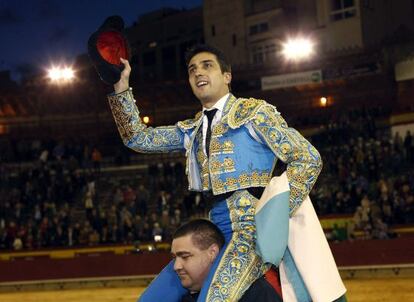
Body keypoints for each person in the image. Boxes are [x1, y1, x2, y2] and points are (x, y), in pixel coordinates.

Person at [107, 44, 344, 301]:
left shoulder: (254, 114)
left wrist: (274, 215)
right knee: (152, 299)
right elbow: (137, 138)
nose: (198, 73)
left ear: (227, 76)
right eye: (192, 70)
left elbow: (307, 159)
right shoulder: (193, 128)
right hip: (213, 232)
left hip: (250, 233)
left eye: (207, 66)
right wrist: (121, 86)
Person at [171, 219, 282, 302]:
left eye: (185, 256)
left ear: (212, 253)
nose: (176, 266)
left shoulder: (254, 293)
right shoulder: (181, 298)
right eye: (174, 258)